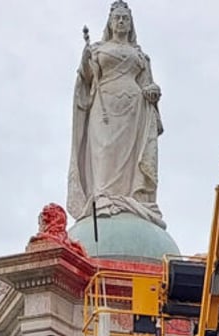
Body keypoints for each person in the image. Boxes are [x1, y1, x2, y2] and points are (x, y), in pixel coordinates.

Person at [66, 1, 165, 229]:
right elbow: (87, 79)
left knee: (129, 156)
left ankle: (131, 198)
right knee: (104, 151)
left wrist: (153, 91)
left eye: (125, 18)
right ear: (110, 23)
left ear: (131, 24)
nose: (121, 22)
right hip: (104, 105)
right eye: (117, 18)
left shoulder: (140, 55)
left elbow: (148, 84)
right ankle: (102, 198)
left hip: (134, 108)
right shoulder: (98, 49)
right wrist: (84, 61)